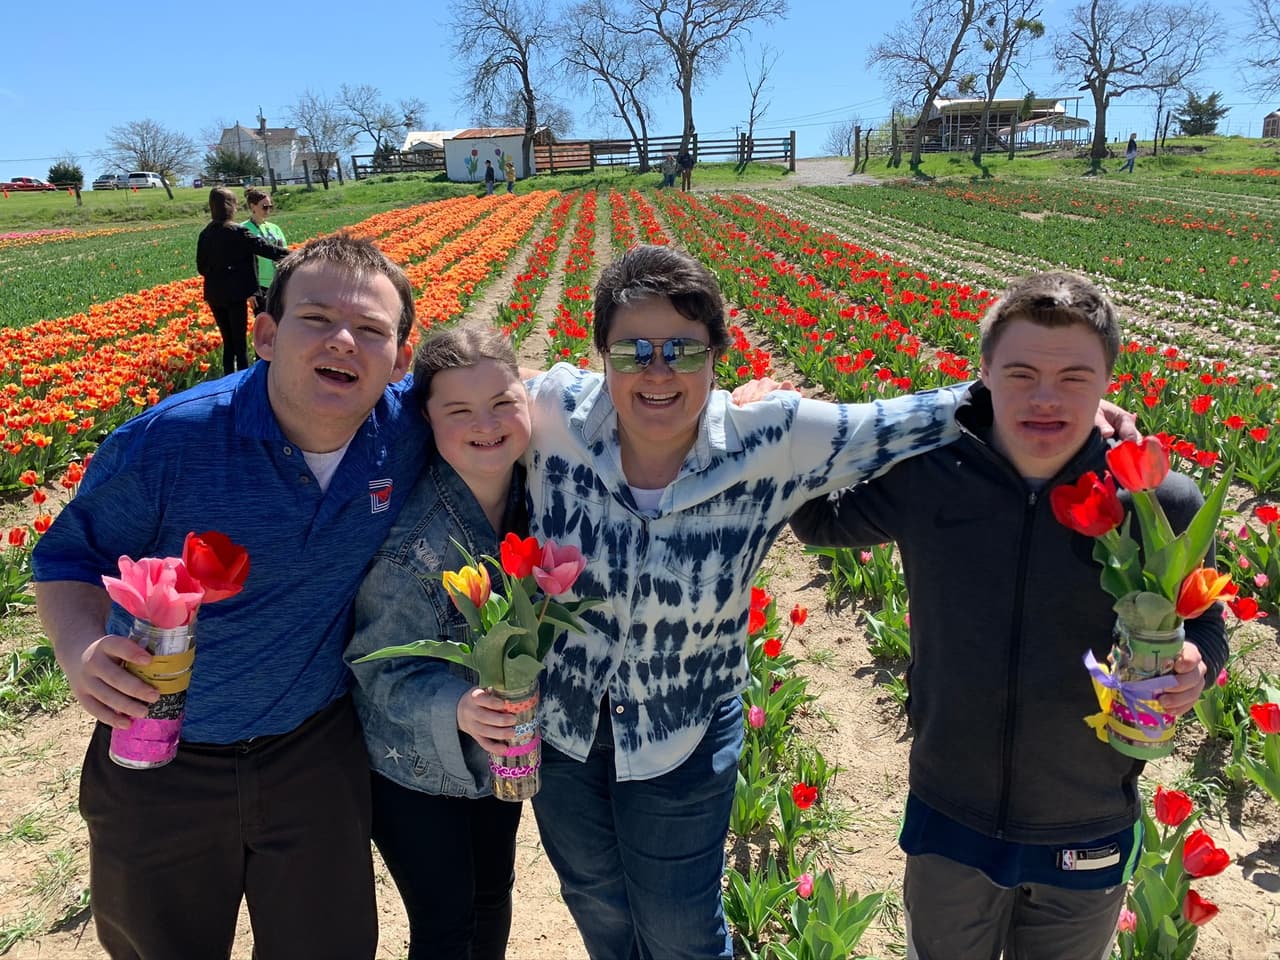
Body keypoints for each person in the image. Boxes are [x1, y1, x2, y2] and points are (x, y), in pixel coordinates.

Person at [519, 244, 1133, 960]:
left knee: (680, 928)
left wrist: (1050, 397)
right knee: (594, 901)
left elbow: (896, 420)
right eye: (633, 351)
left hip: (679, 726)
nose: (658, 370)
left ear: (718, 354)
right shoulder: (549, 410)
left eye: (683, 349)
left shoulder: (770, 434)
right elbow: (456, 398)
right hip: (560, 721)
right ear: (600, 355)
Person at [789, 271, 1228, 960]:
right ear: (982, 374)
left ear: (1110, 380)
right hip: (949, 808)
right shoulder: (927, 474)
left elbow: (1206, 623)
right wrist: (775, 422)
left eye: (1075, 378)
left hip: (1087, 816)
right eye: (1020, 372)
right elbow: (816, 519)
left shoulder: (1156, 499)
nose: (1046, 398)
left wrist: (1199, 666)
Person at [31, 234, 426, 960]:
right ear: (266, 333)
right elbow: (64, 555)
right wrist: (80, 648)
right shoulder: (169, 444)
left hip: (314, 749)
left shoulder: (407, 432)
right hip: (159, 755)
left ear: (401, 358)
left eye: (372, 329)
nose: (344, 340)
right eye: (316, 318)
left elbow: (501, 403)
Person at [345, 323, 530, 960]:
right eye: (460, 411)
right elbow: (376, 670)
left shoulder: (540, 496)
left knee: (493, 892)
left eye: (503, 402)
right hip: (411, 769)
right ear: (427, 418)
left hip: (498, 752)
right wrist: (455, 704)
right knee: (446, 922)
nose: (487, 423)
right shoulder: (413, 546)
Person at [196, 186, 287, 373]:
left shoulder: (205, 233)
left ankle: (228, 377)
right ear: (230, 207)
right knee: (239, 343)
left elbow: (201, 267)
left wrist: (218, 273)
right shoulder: (237, 231)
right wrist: (296, 255)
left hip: (214, 293)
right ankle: (242, 380)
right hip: (235, 293)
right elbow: (266, 249)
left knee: (227, 340)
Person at [242, 186, 287, 314]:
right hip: (259, 285)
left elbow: (284, 252)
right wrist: (250, 290)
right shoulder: (244, 229)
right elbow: (242, 262)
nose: (268, 210)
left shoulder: (274, 228)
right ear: (252, 206)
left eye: (270, 207)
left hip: (278, 282)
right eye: (264, 207)